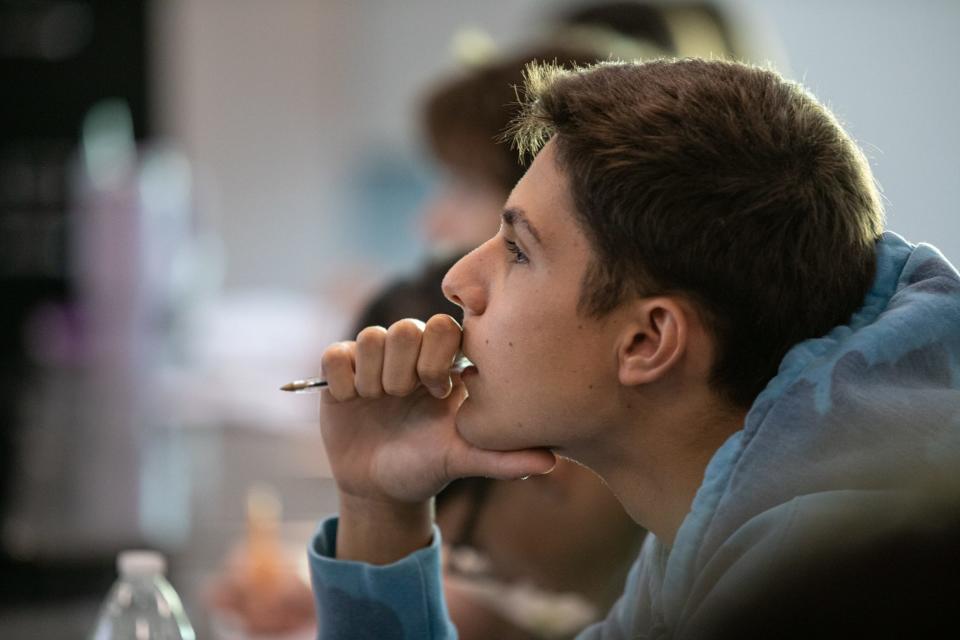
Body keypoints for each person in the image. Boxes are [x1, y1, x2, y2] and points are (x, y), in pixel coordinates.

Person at [306, 57, 960, 639]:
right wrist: (379, 506)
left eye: (517, 250)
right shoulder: (723, 506)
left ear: (648, 342)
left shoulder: (820, 579)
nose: (457, 282)